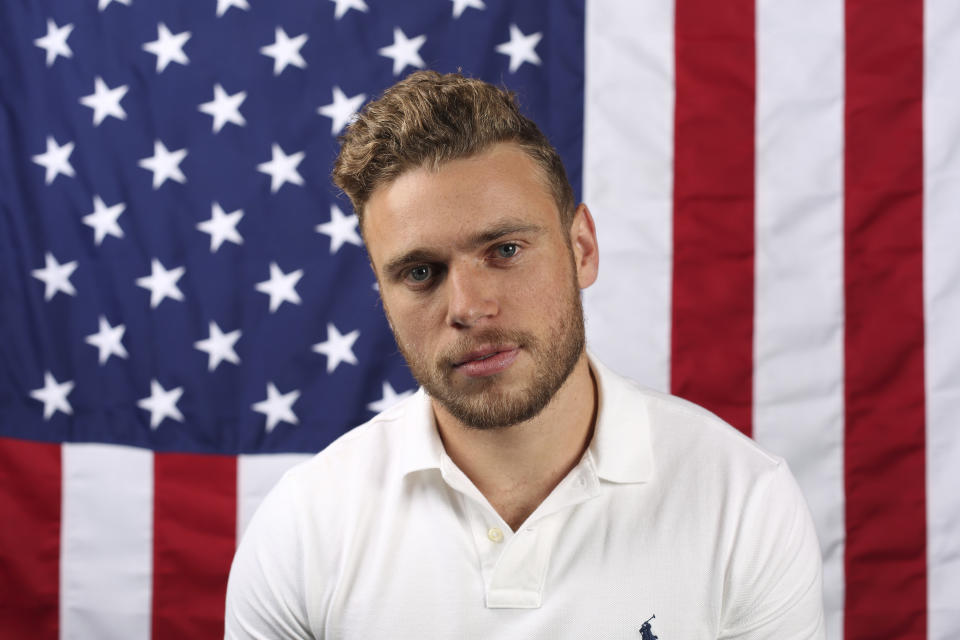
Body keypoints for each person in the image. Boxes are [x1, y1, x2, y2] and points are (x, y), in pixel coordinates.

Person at [225, 71, 825, 639]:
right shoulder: (303, 528)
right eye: (420, 272)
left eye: (505, 249)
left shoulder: (743, 502)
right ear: (383, 294)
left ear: (582, 248)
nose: (469, 306)